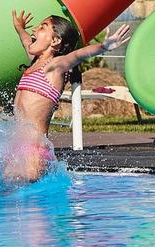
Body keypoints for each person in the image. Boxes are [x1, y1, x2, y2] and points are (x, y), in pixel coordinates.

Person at [7, 10, 131, 182]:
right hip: (16, 148)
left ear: (56, 41)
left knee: (28, 201)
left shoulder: (55, 66)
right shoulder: (35, 61)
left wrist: (103, 47)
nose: (35, 30)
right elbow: (26, 41)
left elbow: (77, 55)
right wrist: (19, 28)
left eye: (43, 27)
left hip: (33, 150)